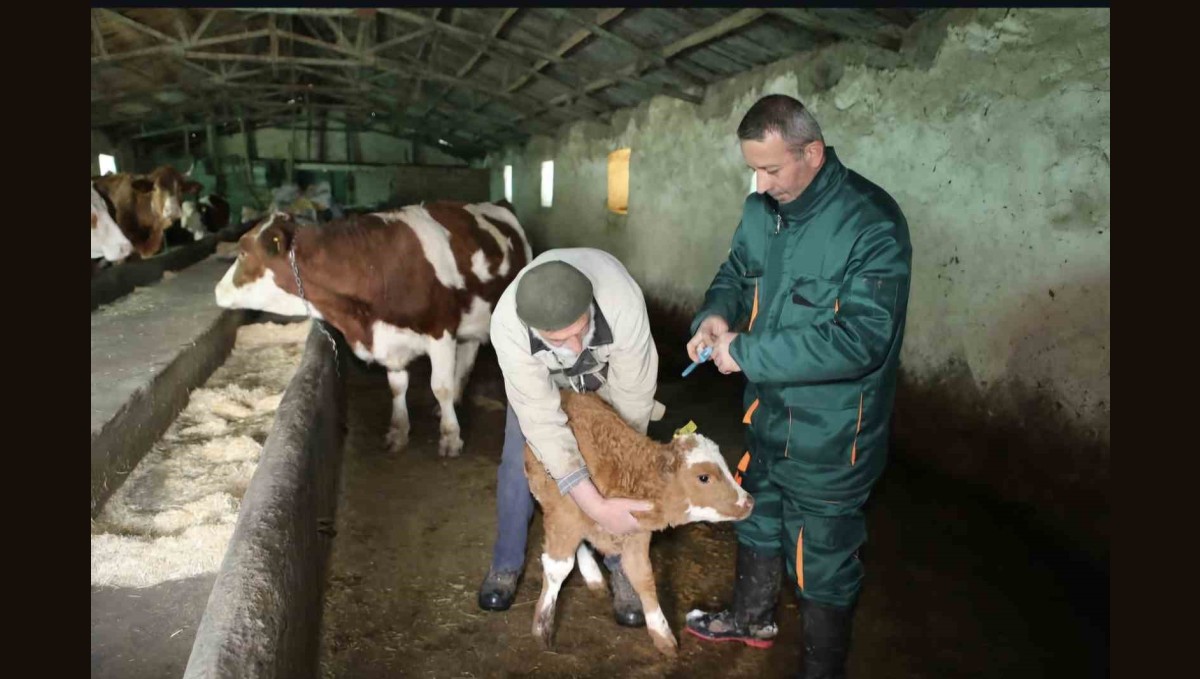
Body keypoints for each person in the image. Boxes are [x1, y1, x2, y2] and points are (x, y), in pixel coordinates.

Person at [683, 94, 912, 679]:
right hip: (767, 413)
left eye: (771, 168)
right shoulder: (762, 209)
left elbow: (863, 340)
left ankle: (821, 669)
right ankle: (752, 617)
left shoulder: (871, 223)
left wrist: (748, 351)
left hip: (834, 432)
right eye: (752, 169)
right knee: (756, 514)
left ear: (811, 152)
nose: (759, 183)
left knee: (824, 557)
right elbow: (736, 272)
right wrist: (715, 314)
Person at [478, 248, 662, 629]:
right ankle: (506, 563)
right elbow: (543, 423)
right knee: (518, 464)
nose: (575, 344)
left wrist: (615, 464)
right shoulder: (508, 329)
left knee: (617, 466)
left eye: (581, 329)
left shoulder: (622, 303)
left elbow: (634, 404)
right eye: (560, 339)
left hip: (605, 377)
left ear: (591, 305)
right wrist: (592, 504)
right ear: (534, 331)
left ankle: (621, 564)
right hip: (543, 384)